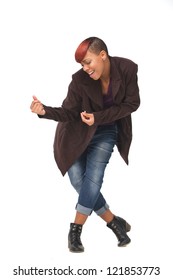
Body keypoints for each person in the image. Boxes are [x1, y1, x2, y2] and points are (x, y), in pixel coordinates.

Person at [30, 36, 140, 253]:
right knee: (79, 180)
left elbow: (132, 103)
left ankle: (75, 230)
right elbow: (69, 112)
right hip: (75, 133)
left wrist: (99, 118)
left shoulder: (127, 68)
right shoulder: (79, 80)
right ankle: (113, 221)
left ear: (102, 55)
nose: (85, 68)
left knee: (94, 177)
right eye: (82, 65)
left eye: (88, 62)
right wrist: (45, 111)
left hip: (107, 129)